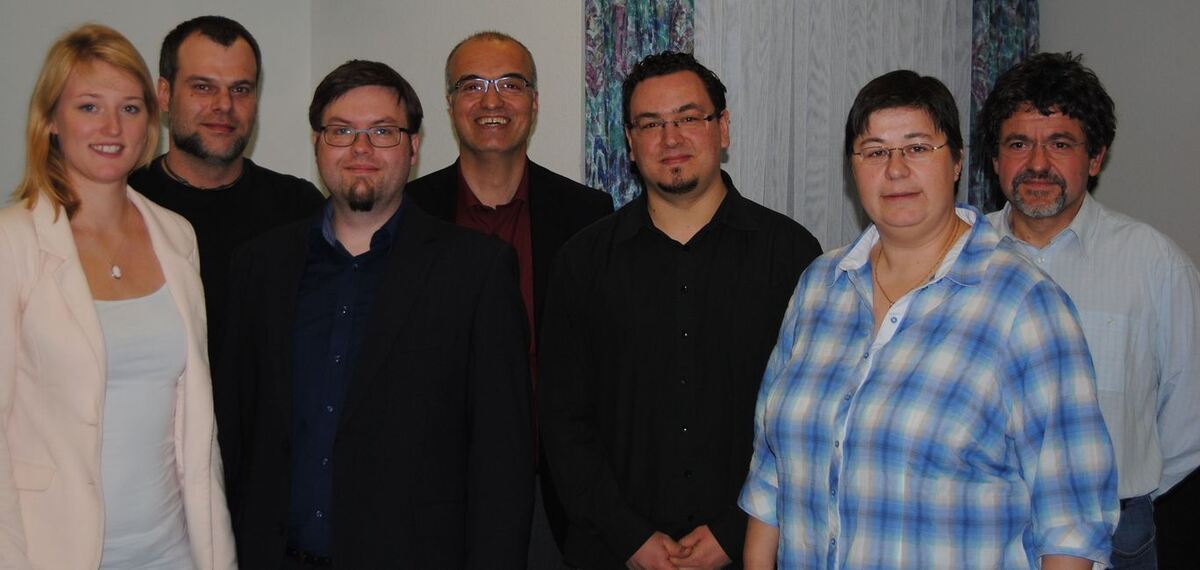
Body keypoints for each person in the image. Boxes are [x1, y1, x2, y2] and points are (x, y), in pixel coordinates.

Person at [740, 70, 1119, 569]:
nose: (895, 170)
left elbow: (1071, 523)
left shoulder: (1025, 304)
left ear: (957, 161)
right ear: (853, 168)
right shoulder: (820, 286)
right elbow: (770, 474)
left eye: (918, 148)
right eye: (874, 151)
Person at [220, 59, 533, 568]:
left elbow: (503, 459)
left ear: (413, 147)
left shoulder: (476, 272)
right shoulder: (258, 267)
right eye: (341, 131)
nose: (361, 148)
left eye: (383, 132)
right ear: (317, 143)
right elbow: (233, 438)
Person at [539, 51, 821, 569]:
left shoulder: (793, 256)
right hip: (612, 553)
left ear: (722, 128)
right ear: (630, 142)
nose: (671, 139)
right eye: (651, 124)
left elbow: (808, 419)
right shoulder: (582, 262)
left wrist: (735, 532)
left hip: (755, 549)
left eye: (689, 118)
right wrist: (629, 537)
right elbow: (563, 420)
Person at [0, 24, 234, 568]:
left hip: (173, 549)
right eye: (89, 107)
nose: (112, 127)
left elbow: (194, 423)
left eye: (130, 108)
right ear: (50, 120)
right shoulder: (13, 243)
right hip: (53, 552)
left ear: (150, 121)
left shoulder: (176, 235)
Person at [977, 52, 1200, 569]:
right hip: (977, 531)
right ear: (995, 159)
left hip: (1114, 538)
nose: (1037, 164)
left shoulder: (1155, 264)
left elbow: (1189, 424)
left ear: (1095, 158)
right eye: (1018, 144)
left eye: (1060, 144)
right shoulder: (956, 257)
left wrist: (1120, 494)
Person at [404, 31, 613, 567]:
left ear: (534, 102)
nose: (491, 101)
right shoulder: (407, 213)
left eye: (510, 85)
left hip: (554, 494)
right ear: (450, 103)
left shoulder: (587, 215)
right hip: (430, 491)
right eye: (472, 85)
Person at [129, 15, 325, 366]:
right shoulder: (125, 202)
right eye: (203, 87)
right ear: (165, 94)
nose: (223, 105)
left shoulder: (299, 208)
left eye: (240, 89)